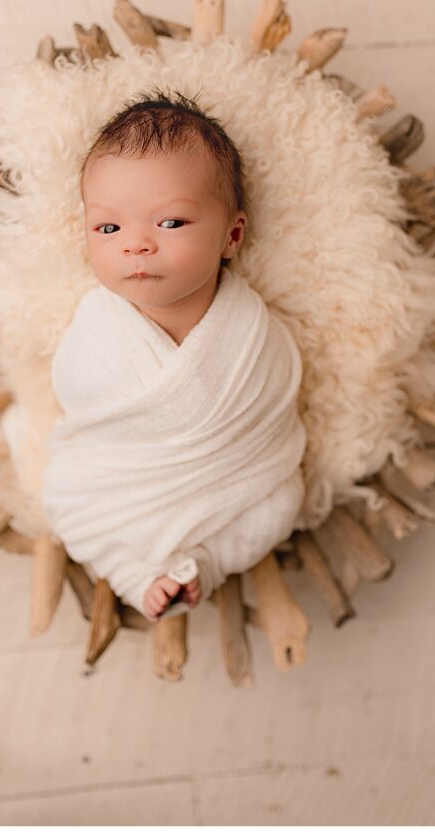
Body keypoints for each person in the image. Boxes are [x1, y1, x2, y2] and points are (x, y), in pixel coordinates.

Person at [41, 90, 307, 623]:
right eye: (109, 228)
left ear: (232, 235)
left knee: (281, 505)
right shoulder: (98, 326)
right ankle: (131, 572)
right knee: (67, 503)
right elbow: (78, 404)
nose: (136, 245)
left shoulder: (251, 330)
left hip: (230, 486)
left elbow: (275, 402)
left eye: (170, 223)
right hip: (119, 483)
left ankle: (201, 565)